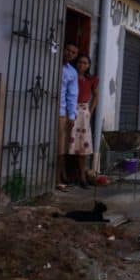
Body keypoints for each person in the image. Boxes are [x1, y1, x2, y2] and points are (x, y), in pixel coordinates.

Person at [68, 54, 98, 188]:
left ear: (89, 65)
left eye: (85, 63)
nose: (82, 65)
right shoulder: (71, 76)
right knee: (68, 144)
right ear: (76, 63)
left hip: (84, 113)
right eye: (80, 62)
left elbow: (96, 96)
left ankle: (82, 177)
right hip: (70, 110)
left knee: (83, 147)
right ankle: (66, 175)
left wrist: (90, 111)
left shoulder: (91, 79)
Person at [57, 42, 79, 189]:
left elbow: (72, 94)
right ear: (63, 49)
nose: (69, 54)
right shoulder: (52, 63)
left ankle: (59, 177)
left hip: (61, 112)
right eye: (68, 50)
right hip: (44, 108)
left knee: (61, 146)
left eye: (73, 52)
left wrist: (71, 115)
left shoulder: (72, 72)